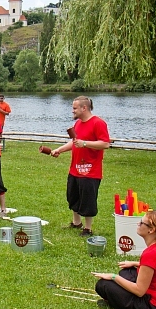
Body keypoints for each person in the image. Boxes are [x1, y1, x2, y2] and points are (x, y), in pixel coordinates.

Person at [92, 211, 156, 309]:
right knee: (126, 272)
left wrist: (113, 276)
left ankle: (116, 302)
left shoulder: (151, 253)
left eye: (141, 223)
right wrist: (135, 263)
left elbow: (139, 291)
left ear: (151, 230)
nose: (138, 224)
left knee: (103, 285)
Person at [50, 96, 110, 237]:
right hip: (75, 169)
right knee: (73, 197)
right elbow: (74, 142)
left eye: (75, 108)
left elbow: (105, 143)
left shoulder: (98, 123)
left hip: (91, 171)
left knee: (88, 200)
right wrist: (60, 149)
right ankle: (76, 223)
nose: (72, 111)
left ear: (84, 108)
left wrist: (85, 143)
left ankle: (88, 228)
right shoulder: (77, 124)